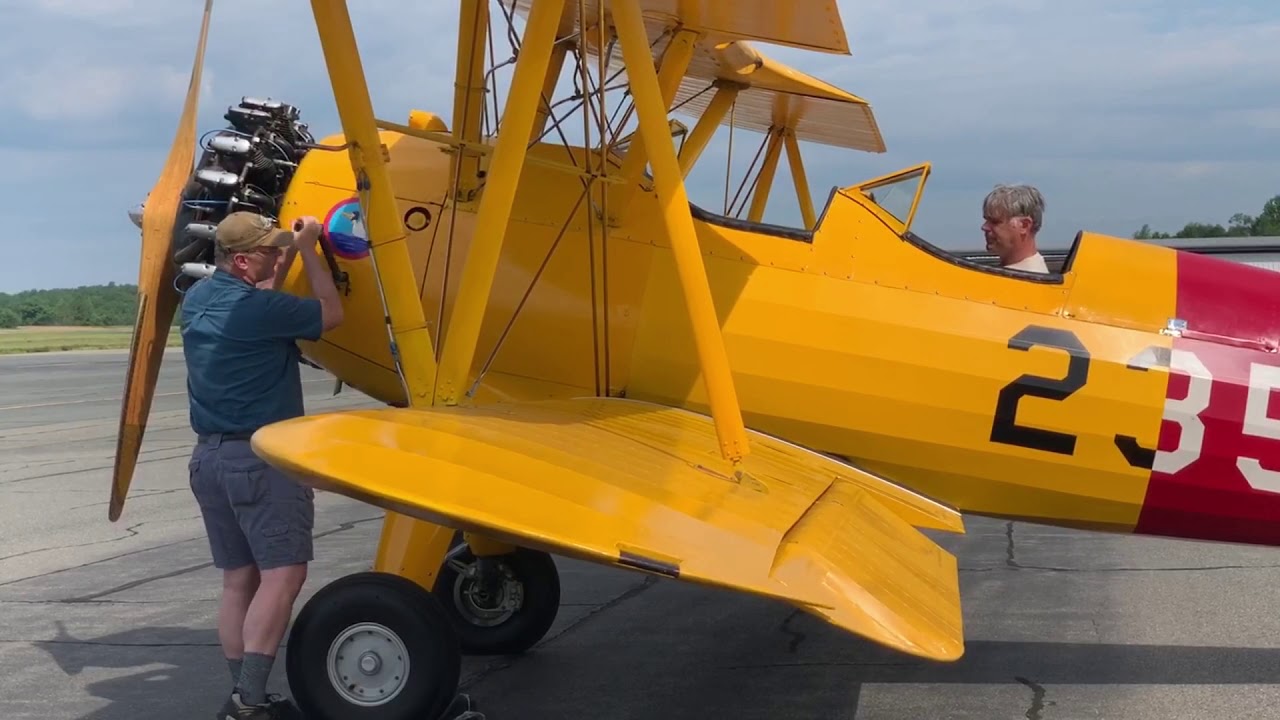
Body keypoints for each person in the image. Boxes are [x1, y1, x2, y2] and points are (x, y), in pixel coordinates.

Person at [182, 211, 343, 719]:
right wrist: (312, 248)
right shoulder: (262, 312)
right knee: (285, 574)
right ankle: (249, 700)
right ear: (244, 259)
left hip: (209, 458)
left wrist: (288, 247)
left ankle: (243, 698)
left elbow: (261, 288)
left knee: (239, 580)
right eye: (270, 251)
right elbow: (330, 313)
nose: (280, 257)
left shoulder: (197, 301)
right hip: (259, 460)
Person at [981, 184, 1049, 273]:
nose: (984, 227)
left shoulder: (1027, 280)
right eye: (986, 221)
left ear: (1024, 225)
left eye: (995, 222)